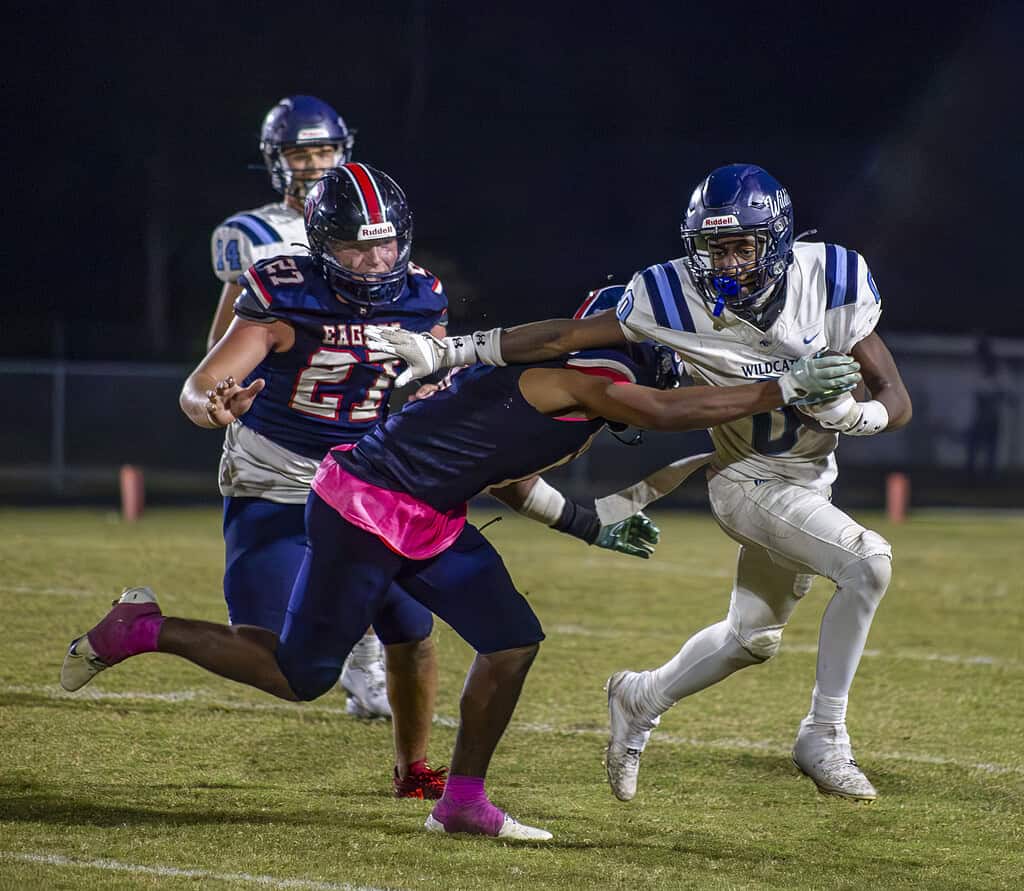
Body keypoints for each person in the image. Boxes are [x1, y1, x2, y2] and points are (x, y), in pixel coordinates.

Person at [60, 322, 858, 839]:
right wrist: (778, 390)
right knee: (299, 674)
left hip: (426, 519)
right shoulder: (583, 375)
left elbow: (508, 478)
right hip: (364, 506)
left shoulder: (573, 395)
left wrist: (591, 525)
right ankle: (142, 626)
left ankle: (462, 799)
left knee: (512, 639)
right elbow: (658, 408)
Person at [363, 162, 913, 803]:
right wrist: (451, 350)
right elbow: (563, 334)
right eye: (713, 247)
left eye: (741, 246)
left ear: (779, 240)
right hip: (746, 481)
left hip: (811, 481)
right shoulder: (669, 294)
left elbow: (894, 396)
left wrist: (858, 418)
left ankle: (639, 697)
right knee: (868, 563)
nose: (727, 263)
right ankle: (825, 735)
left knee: (750, 639)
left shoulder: (834, 277)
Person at [196, 161, 454, 796]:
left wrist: (440, 395)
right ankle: (147, 628)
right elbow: (203, 381)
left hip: (364, 484)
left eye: (385, 242)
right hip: (278, 476)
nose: (374, 260)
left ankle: (412, 770)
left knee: (414, 630)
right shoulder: (284, 290)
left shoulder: (423, 296)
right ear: (320, 243)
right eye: (356, 245)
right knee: (276, 659)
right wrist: (210, 405)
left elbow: (433, 384)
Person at [207, 96, 394, 722]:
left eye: (324, 151)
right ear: (275, 161)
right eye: (300, 153)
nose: (314, 164)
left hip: (355, 414)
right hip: (281, 422)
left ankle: (368, 672)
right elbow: (223, 340)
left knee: (365, 545)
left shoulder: (366, 222)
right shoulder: (251, 235)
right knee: (281, 587)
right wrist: (223, 388)